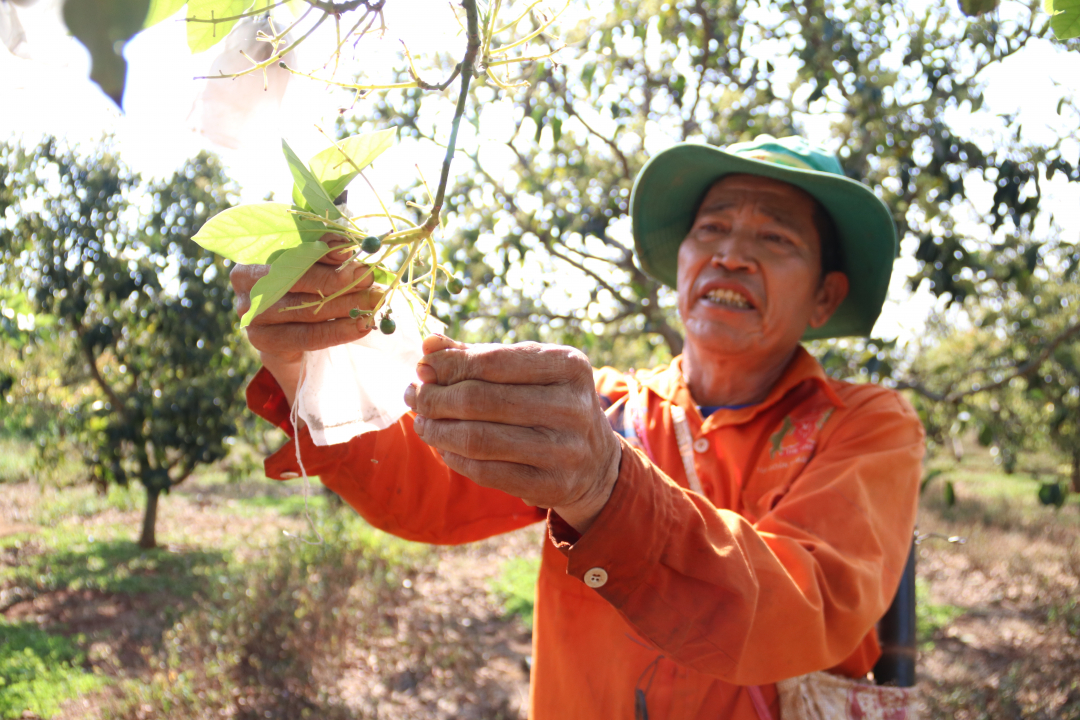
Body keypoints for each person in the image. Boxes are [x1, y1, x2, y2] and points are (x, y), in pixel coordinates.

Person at [231, 135, 924, 719]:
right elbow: (419, 483)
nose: (731, 255)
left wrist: (606, 485)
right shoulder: (609, 407)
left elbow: (807, 607)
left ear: (825, 296)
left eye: (774, 237)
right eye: (710, 229)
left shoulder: (866, 427)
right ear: (680, 264)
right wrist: (305, 364)